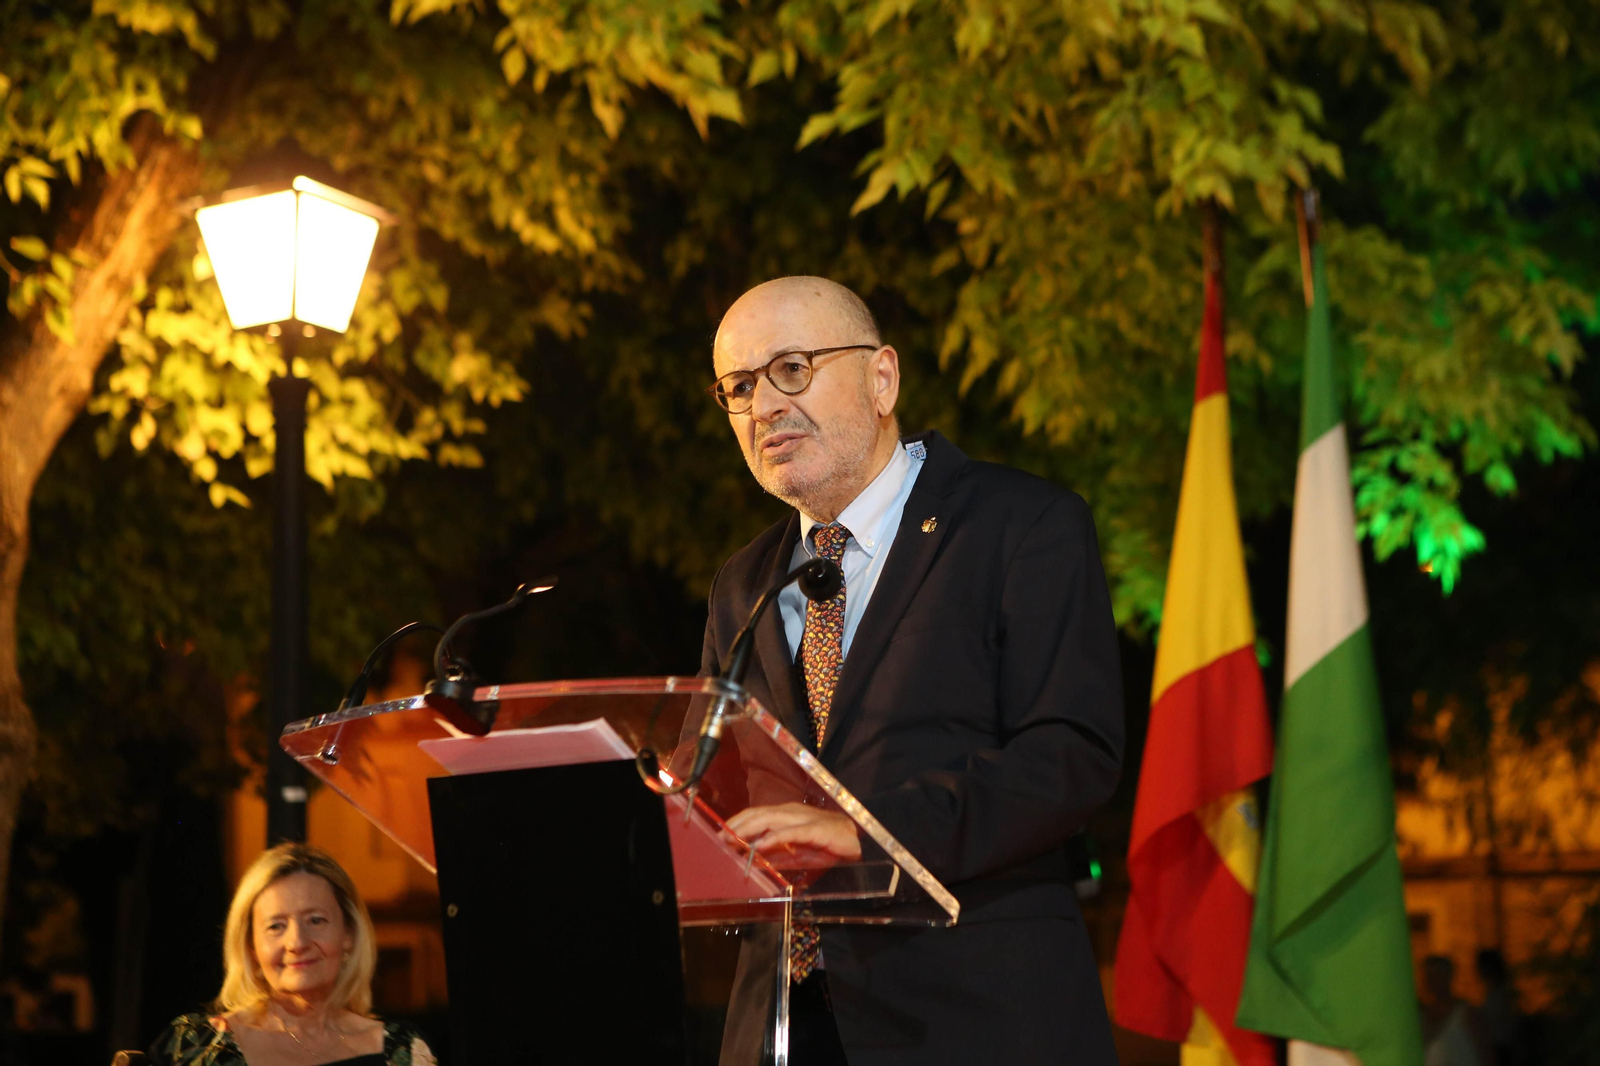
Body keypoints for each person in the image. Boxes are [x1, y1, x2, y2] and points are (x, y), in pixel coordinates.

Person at [702, 276, 1124, 1065]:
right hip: (784, 1026)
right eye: (739, 386)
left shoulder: (1020, 525)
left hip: (975, 1018)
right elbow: (723, 788)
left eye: (792, 368)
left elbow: (1068, 756)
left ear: (882, 378)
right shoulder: (744, 583)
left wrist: (863, 833)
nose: (763, 407)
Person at [150, 843, 436, 1066]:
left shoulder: (400, 1050)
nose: (297, 942)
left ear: (349, 935)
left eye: (315, 920)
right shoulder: (201, 1047)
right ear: (251, 947)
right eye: (276, 926)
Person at [1422, 954, 1489, 1066]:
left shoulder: (1467, 1013)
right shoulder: (1422, 1014)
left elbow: (1486, 1052)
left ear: (1448, 976)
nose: (1431, 981)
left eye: (1436, 975)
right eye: (1428, 976)